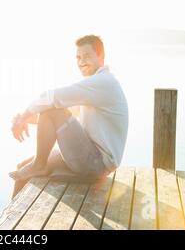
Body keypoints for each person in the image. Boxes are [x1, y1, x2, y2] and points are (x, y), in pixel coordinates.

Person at [9, 35, 128, 199]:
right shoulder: (95, 87)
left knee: (51, 107)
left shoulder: (103, 82)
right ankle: (10, 222)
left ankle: (40, 164)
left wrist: (24, 115)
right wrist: (26, 119)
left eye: (87, 56)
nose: (81, 62)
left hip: (97, 163)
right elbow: (63, 116)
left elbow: (51, 98)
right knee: (23, 168)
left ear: (101, 56)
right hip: (89, 155)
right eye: (78, 57)